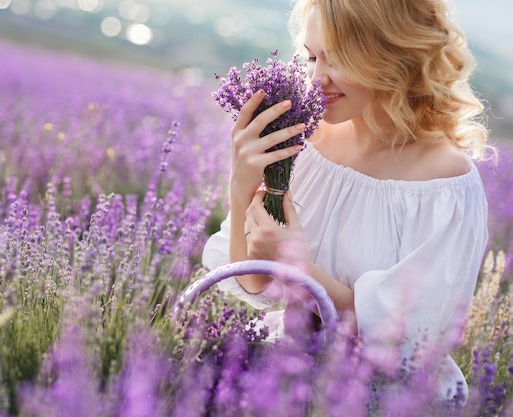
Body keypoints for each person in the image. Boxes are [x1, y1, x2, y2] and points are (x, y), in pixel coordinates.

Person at [202, 0, 491, 405]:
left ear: (390, 55)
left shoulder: (444, 184)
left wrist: (299, 267)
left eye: (337, 59)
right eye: (311, 57)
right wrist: (240, 183)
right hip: (284, 378)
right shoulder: (305, 140)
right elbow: (253, 282)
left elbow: (407, 345)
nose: (316, 78)